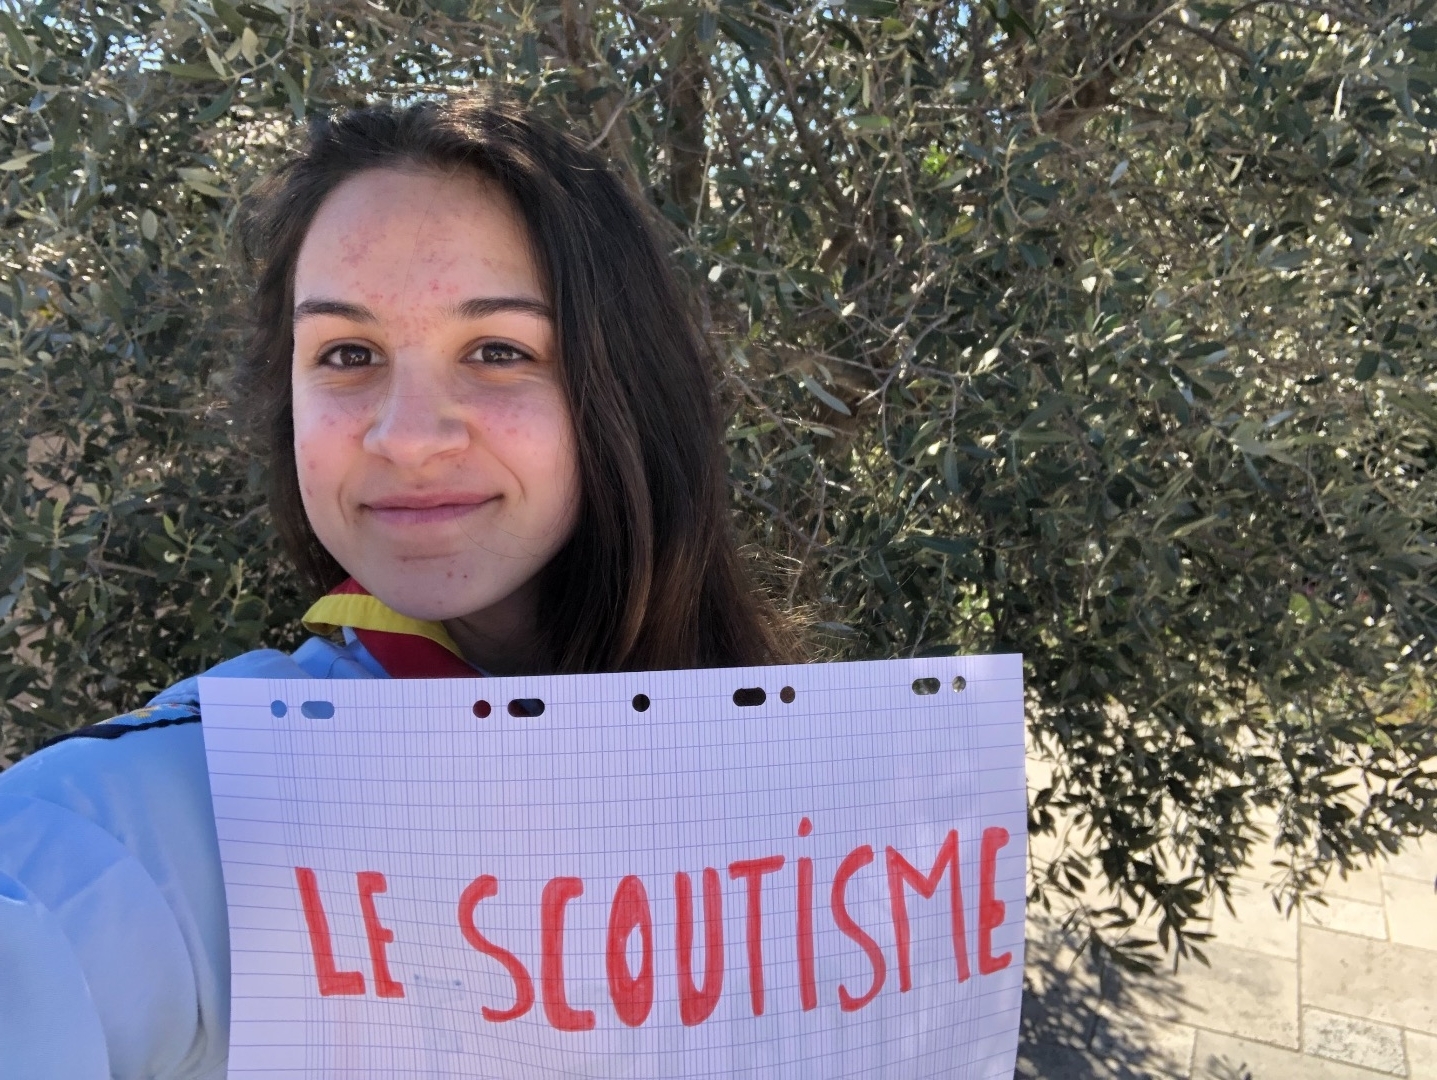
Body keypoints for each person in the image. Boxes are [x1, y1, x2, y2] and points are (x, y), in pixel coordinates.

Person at [0, 92, 796, 1080]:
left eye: (498, 351)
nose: (408, 437)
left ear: (624, 390)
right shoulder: (144, 826)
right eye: (348, 355)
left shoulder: (810, 785)